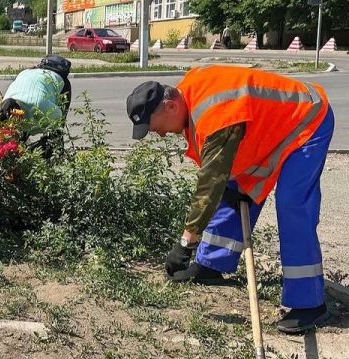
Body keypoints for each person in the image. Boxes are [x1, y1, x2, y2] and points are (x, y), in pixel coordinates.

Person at [125, 65, 334, 334]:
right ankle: (211, 264)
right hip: (268, 130)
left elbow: (209, 184)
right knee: (234, 191)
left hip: (307, 122)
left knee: (292, 204)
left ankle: (309, 303)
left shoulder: (214, 115)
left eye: (157, 128)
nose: (162, 135)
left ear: (170, 106)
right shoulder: (189, 95)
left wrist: (185, 244)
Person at [0, 55, 72, 158]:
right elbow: (58, 121)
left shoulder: (26, 72)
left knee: (8, 143)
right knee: (55, 139)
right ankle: (54, 162)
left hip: (11, 105)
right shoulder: (63, 83)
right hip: (33, 105)